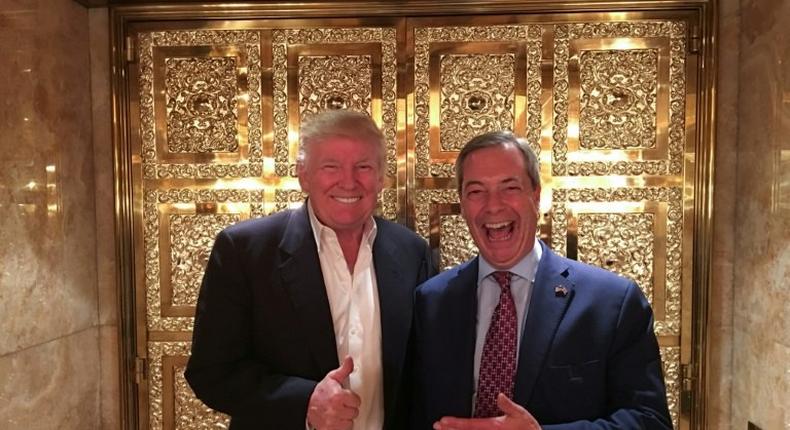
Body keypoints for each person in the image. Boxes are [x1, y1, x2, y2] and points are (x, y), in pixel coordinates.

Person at [186, 109, 435, 430]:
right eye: (331, 167)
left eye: (363, 167)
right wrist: (305, 402)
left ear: (382, 176)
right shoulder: (245, 250)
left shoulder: (412, 252)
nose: (348, 181)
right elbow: (211, 373)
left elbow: (425, 368)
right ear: (303, 174)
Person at [411, 131, 672, 429]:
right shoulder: (431, 301)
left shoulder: (612, 302)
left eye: (509, 188)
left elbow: (650, 422)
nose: (493, 206)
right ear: (462, 202)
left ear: (536, 195)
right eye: (476, 191)